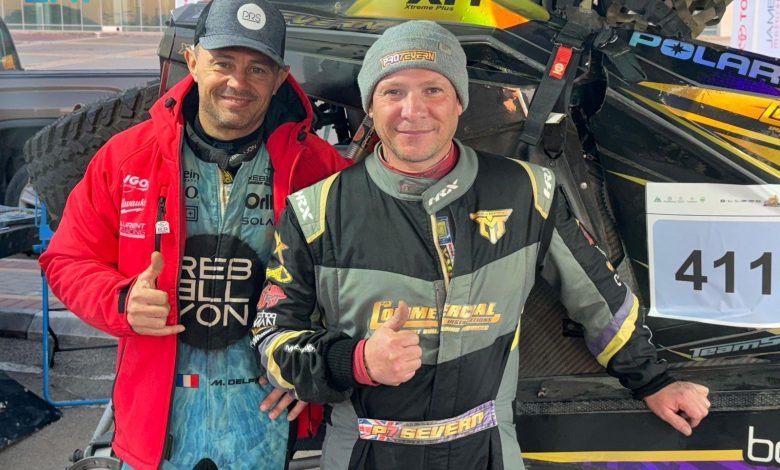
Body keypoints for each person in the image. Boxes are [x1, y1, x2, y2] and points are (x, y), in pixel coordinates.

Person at [249, 20, 711, 470]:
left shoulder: (528, 192)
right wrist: (355, 361)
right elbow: (272, 342)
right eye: (393, 92)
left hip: (487, 448)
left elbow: (598, 298)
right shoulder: (315, 210)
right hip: (363, 451)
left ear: (459, 102)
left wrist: (654, 380)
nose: (413, 110)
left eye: (434, 89)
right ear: (371, 105)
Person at [39, 0, 350, 468]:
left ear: (280, 78)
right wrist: (121, 300)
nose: (238, 82)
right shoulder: (128, 158)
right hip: (156, 419)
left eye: (257, 69)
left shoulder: (320, 170)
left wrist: (312, 366)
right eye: (223, 62)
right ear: (192, 60)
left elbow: (360, 282)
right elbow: (67, 259)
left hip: (264, 419)